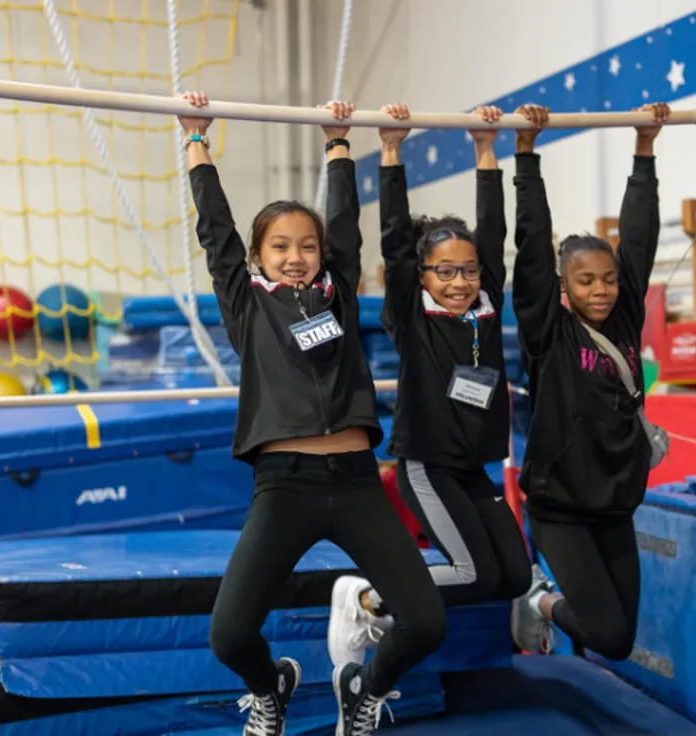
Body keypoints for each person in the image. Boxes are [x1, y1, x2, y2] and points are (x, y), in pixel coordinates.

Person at [178, 91, 446, 736]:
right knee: (229, 634)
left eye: (306, 245)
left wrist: (339, 142)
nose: (295, 255)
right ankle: (271, 684)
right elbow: (216, 232)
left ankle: (363, 688)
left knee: (427, 622)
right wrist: (196, 142)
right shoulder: (247, 305)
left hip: (356, 482)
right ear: (259, 256)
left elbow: (347, 224)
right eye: (279, 246)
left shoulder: (339, 297)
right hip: (285, 486)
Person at [327, 103, 531, 667]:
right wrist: (391, 151)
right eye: (445, 271)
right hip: (428, 465)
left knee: (514, 575)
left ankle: (384, 598)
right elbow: (394, 242)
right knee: (471, 571)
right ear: (423, 276)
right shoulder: (411, 314)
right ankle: (366, 597)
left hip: (473, 467)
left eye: (468, 270)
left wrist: (486, 150)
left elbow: (493, 231)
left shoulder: (486, 305)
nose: (460, 280)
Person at [508, 102, 670, 660]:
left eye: (607, 280)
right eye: (585, 281)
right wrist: (526, 156)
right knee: (602, 631)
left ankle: (542, 602)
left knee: (620, 641)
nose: (600, 290)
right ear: (563, 286)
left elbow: (639, 238)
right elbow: (530, 250)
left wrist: (644, 148)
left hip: (615, 505)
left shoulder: (624, 317)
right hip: (561, 508)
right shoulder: (548, 333)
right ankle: (538, 599)